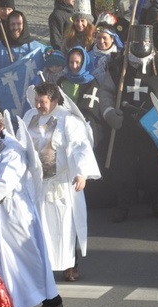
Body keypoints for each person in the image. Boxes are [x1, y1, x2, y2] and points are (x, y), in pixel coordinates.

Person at [0, 107, 64, 307]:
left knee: (27, 261)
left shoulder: (11, 149)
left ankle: (53, 301)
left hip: (13, 215)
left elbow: (6, 181)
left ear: (0, 125)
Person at [99, 24, 158, 222]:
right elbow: (106, 92)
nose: (141, 44)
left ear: (150, 43)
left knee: (152, 169)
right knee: (123, 168)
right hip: (124, 126)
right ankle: (123, 207)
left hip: (153, 129)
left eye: (144, 41)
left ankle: (157, 206)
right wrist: (109, 112)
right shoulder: (118, 65)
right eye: (137, 41)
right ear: (130, 43)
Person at [23, 82, 101, 282]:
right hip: (36, 183)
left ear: (55, 101)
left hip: (61, 182)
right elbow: (20, 143)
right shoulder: (30, 116)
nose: (38, 105)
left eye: (43, 102)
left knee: (66, 225)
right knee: (38, 226)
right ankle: (42, 265)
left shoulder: (67, 120)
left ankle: (70, 265)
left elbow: (80, 146)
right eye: (37, 101)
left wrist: (82, 172)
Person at [56, 46, 103, 142]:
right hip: (62, 124)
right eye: (71, 62)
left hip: (82, 126)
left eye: (78, 62)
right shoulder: (62, 80)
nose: (74, 66)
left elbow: (90, 109)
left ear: (84, 63)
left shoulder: (91, 82)